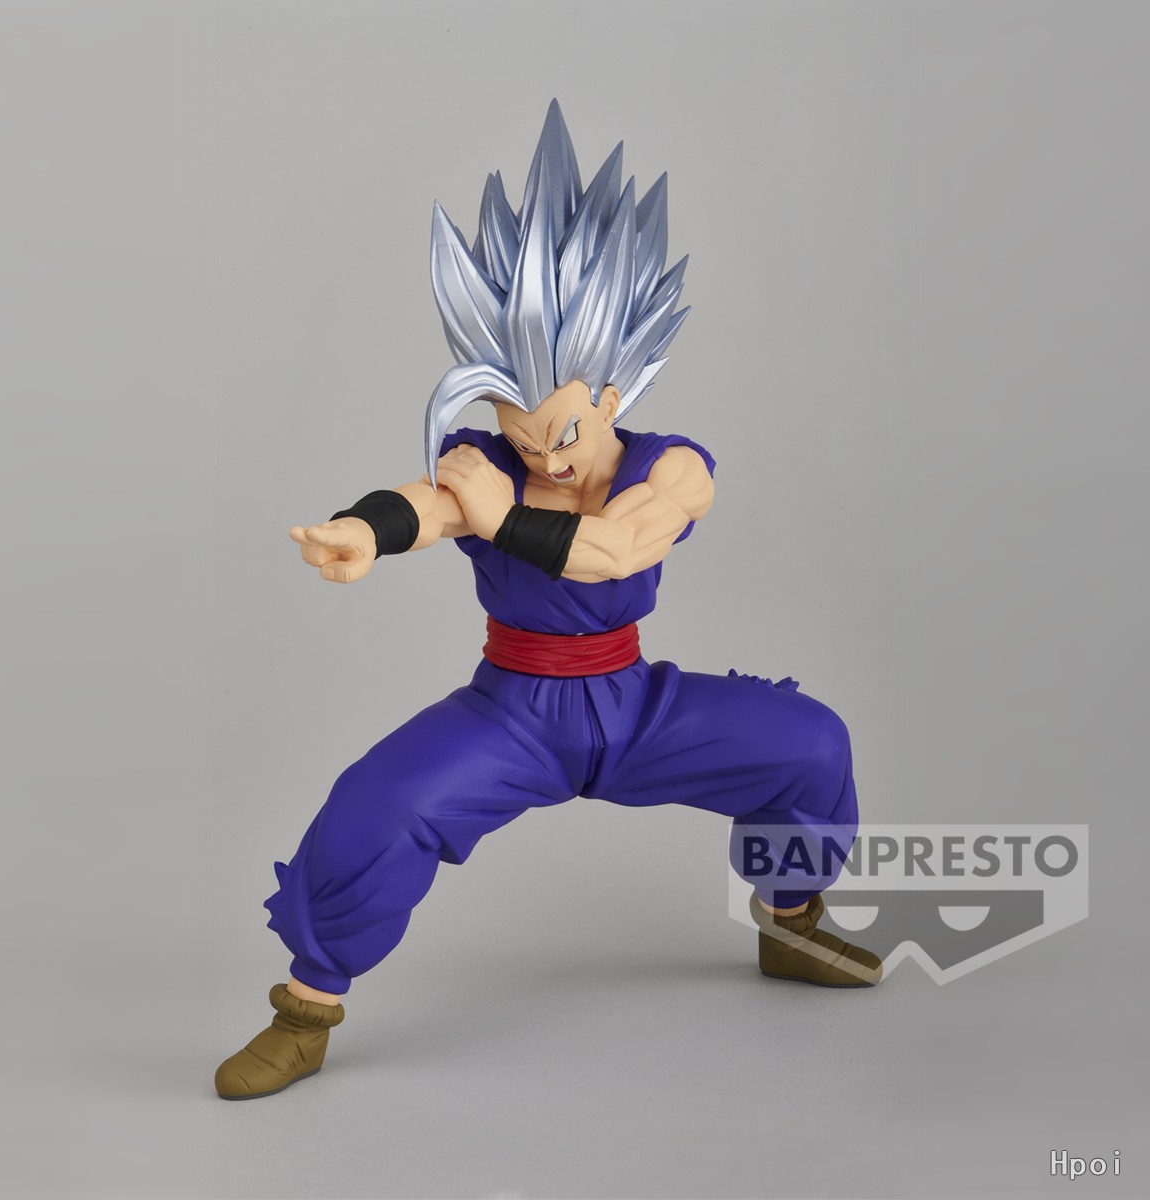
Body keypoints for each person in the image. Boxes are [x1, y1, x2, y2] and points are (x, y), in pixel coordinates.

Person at [214, 101, 882, 1102]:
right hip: (512, 714)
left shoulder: (673, 466)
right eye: (521, 434)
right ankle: (304, 1013)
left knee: (809, 745)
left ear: (611, 395)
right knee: (376, 807)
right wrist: (363, 529)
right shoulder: (488, 464)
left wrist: (503, 518)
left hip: (636, 707)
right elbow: (430, 503)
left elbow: (613, 552)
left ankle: (793, 923)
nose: (544, 457)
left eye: (563, 433)